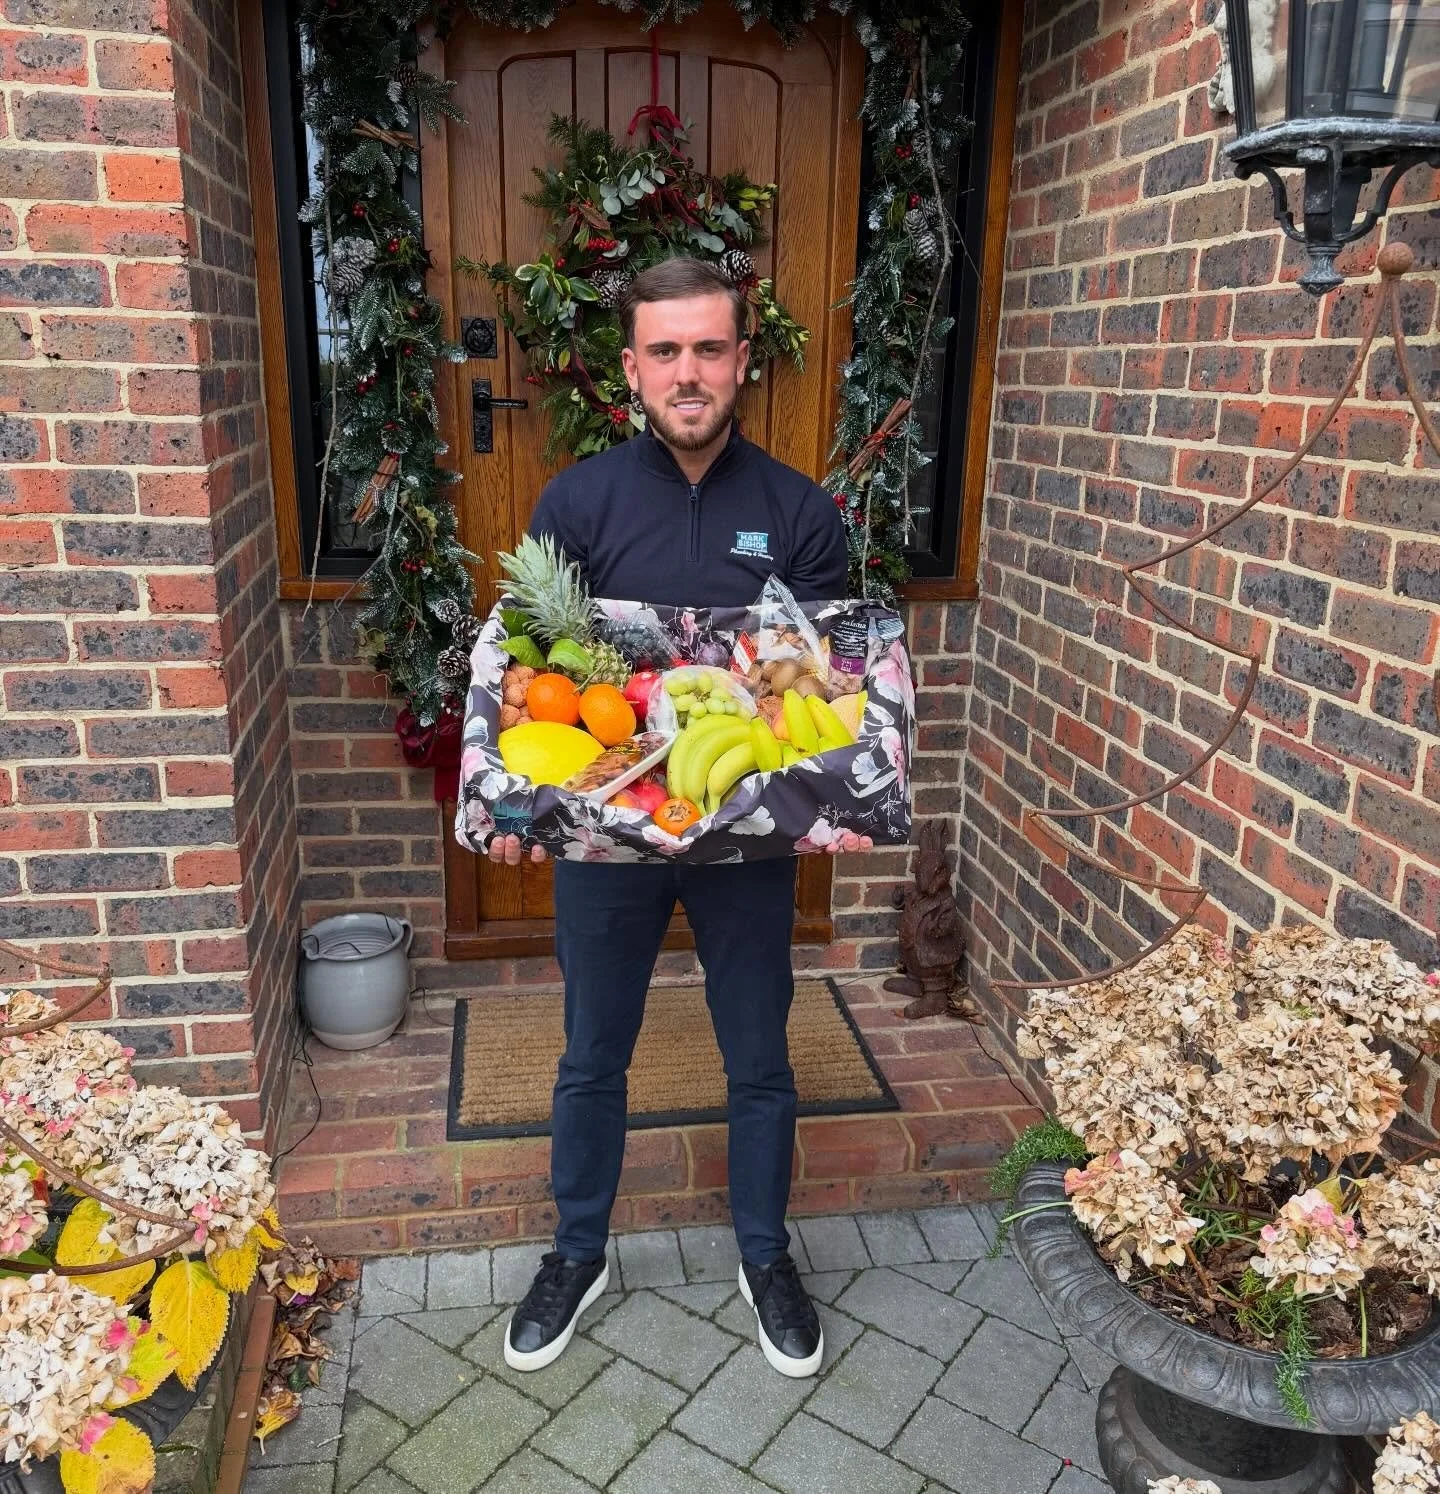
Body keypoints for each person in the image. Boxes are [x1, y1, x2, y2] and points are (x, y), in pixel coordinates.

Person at [486, 256, 871, 1380]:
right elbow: (523, 670)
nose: (688, 372)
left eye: (709, 348)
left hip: (745, 832)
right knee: (591, 1051)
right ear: (632, 368)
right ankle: (577, 1251)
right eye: (666, 351)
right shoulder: (578, 502)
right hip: (610, 824)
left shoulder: (797, 511)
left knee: (760, 1053)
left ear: (744, 360)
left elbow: (829, 685)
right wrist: (516, 793)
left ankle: (764, 1255)